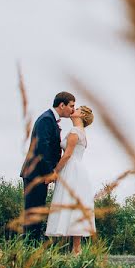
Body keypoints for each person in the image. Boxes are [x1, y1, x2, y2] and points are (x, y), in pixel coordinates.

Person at [20, 91, 75, 241]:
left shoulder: (50, 120)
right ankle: (29, 246)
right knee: (33, 212)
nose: (73, 110)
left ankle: (32, 245)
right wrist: (50, 173)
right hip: (35, 173)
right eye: (71, 106)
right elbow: (42, 149)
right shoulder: (46, 120)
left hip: (39, 174)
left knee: (37, 211)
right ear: (62, 105)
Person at [45, 104, 96, 254]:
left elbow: (67, 155)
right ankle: (75, 249)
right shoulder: (81, 132)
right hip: (78, 170)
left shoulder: (75, 132)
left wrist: (55, 172)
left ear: (82, 116)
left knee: (68, 202)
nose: (74, 110)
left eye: (78, 109)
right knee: (74, 205)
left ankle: (72, 248)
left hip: (72, 169)